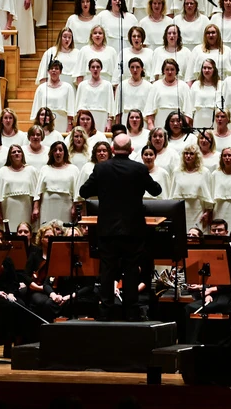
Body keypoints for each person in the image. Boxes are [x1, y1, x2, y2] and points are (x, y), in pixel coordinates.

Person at [79, 134, 161, 321]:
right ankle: (131, 311)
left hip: (108, 230)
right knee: (131, 269)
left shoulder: (101, 168)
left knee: (107, 270)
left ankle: (106, 310)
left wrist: (103, 189)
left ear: (112, 149)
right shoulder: (139, 169)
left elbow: (84, 191)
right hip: (133, 229)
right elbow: (156, 190)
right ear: (132, 150)